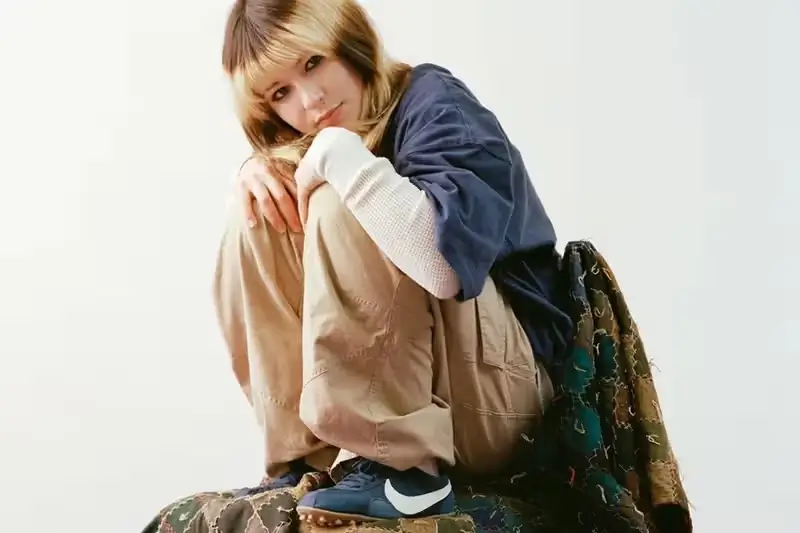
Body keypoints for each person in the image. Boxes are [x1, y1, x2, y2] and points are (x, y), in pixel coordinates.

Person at [214, 0, 574, 526]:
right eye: (280, 93)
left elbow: (446, 268)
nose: (309, 101)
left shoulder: (435, 103)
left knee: (342, 201)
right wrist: (257, 176)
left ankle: (404, 472)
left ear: (347, 41)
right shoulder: (310, 145)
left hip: (505, 403)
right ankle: (305, 456)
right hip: (437, 393)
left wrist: (340, 154)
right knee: (257, 213)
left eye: (313, 63)